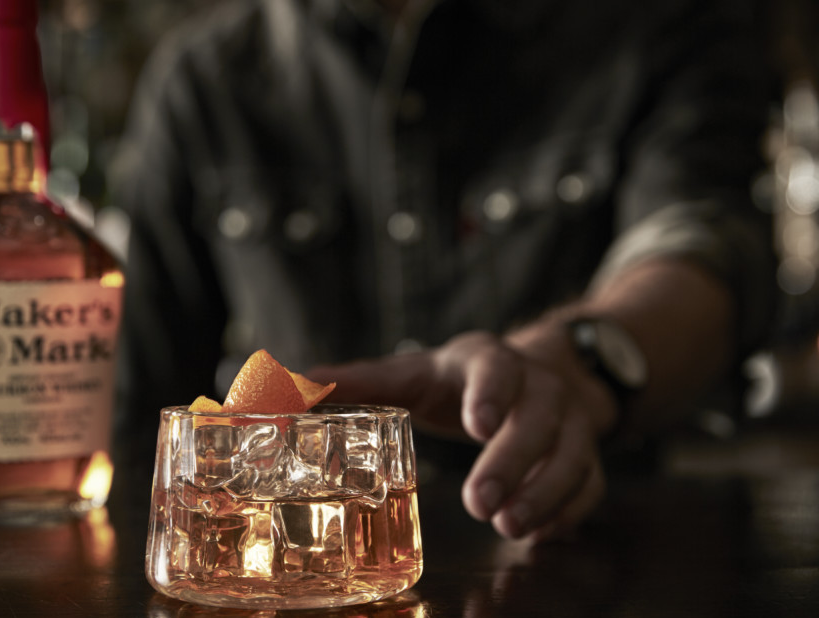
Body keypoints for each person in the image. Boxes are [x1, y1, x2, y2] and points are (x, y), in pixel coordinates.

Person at [108, 0, 778, 541]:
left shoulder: (656, 22)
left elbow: (701, 243)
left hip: (592, 574)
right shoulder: (202, 79)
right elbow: (148, 416)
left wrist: (578, 363)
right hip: (296, 594)